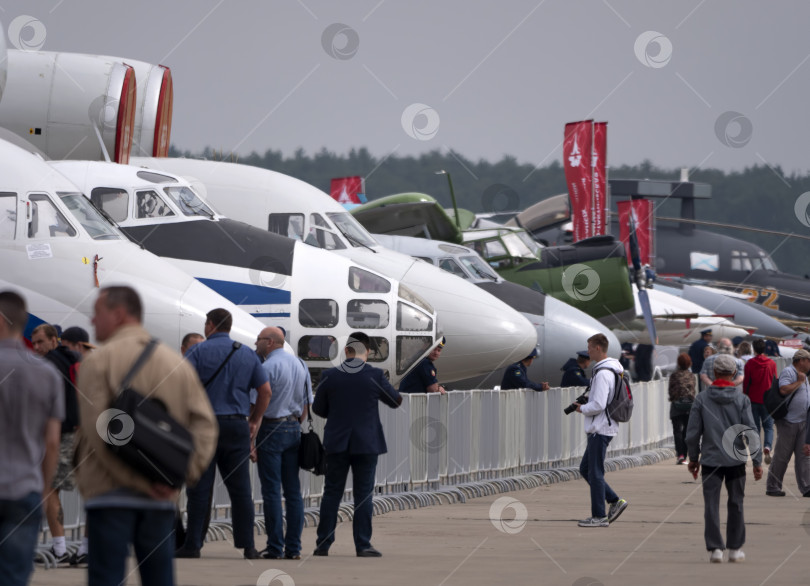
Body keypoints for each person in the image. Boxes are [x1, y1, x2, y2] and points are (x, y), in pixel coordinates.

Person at [74, 286, 218, 586]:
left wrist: (136, 480)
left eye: (97, 313)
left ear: (118, 314)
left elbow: (100, 431)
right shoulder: (175, 362)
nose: (91, 320)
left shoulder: (97, 363)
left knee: (107, 578)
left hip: (108, 495)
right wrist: (179, 477)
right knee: (159, 578)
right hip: (160, 499)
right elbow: (206, 425)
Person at [177, 308, 271, 559]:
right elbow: (265, 392)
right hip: (236, 427)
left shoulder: (197, 351)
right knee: (240, 489)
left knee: (199, 488)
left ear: (210, 325)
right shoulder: (246, 354)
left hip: (203, 427)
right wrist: (255, 419)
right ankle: (248, 546)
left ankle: (193, 545)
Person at [313, 332, 403, 557]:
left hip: (336, 442)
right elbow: (395, 401)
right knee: (363, 495)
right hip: (367, 443)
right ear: (368, 352)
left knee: (332, 493)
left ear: (346, 350)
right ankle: (362, 544)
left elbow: (317, 409)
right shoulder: (374, 375)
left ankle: (323, 544)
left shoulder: (330, 375)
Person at [0, 291, 62, 586]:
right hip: (25, 488)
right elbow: (52, 442)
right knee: (14, 576)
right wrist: (44, 486)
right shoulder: (47, 374)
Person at [686, 354, 763, 563]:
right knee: (736, 503)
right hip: (735, 460)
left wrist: (693, 458)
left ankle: (715, 549)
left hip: (710, 460)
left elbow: (692, 433)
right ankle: (735, 549)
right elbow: (751, 431)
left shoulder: (702, 399)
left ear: (714, 373)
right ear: (734, 374)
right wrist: (757, 461)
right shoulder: (742, 399)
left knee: (711, 504)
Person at [253, 327, 311, 560]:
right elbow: (307, 403)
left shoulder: (266, 367)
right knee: (293, 492)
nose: (255, 343)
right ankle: (294, 549)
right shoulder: (301, 365)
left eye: (258, 340)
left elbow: (256, 402)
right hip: (294, 427)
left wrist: (252, 429)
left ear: (269, 342)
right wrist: (296, 422)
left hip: (270, 428)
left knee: (271, 492)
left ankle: (275, 547)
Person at [30, 322, 80, 565]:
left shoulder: (49, 364)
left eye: (41, 342)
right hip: (78, 432)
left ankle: (59, 549)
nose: (36, 347)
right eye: (34, 342)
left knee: (49, 489)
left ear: (54, 340)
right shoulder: (73, 358)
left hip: (58, 434)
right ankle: (79, 547)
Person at [575, 333, 628, 527]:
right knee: (586, 469)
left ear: (598, 348)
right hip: (603, 426)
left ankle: (599, 516)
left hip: (600, 428)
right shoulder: (610, 370)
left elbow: (598, 403)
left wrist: (582, 408)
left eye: (589, 347)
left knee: (595, 472)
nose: (587, 351)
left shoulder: (604, 373)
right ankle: (614, 501)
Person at [765, 348, 810, 497]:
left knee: (803, 456)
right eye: (808, 360)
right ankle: (773, 486)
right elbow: (783, 389)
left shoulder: (804, 376)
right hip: (788, 421)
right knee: (782, 456)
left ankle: (806, 486)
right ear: (801, 360)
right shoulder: (789, 372)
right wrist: (799, 382)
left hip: (803, 421)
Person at [743, 339, 777, 465]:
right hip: (767, 400)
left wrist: (744, 397)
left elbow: (746, 383)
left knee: (755, 427)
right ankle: (767, 447)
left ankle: (756, 452)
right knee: (768, 426)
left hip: (753, 399)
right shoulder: (772, 363)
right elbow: (775, 380)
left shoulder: (750, 364)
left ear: (754, 349)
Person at [668, 353, 696, 465]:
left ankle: (679, 455)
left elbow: (670, 390)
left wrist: (674, 398)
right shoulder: (691, 376)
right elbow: (693, 391)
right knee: (686, 431)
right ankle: (685, 455)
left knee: (677, 431)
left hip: (676, 405)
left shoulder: (674, 375)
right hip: (689, 406)